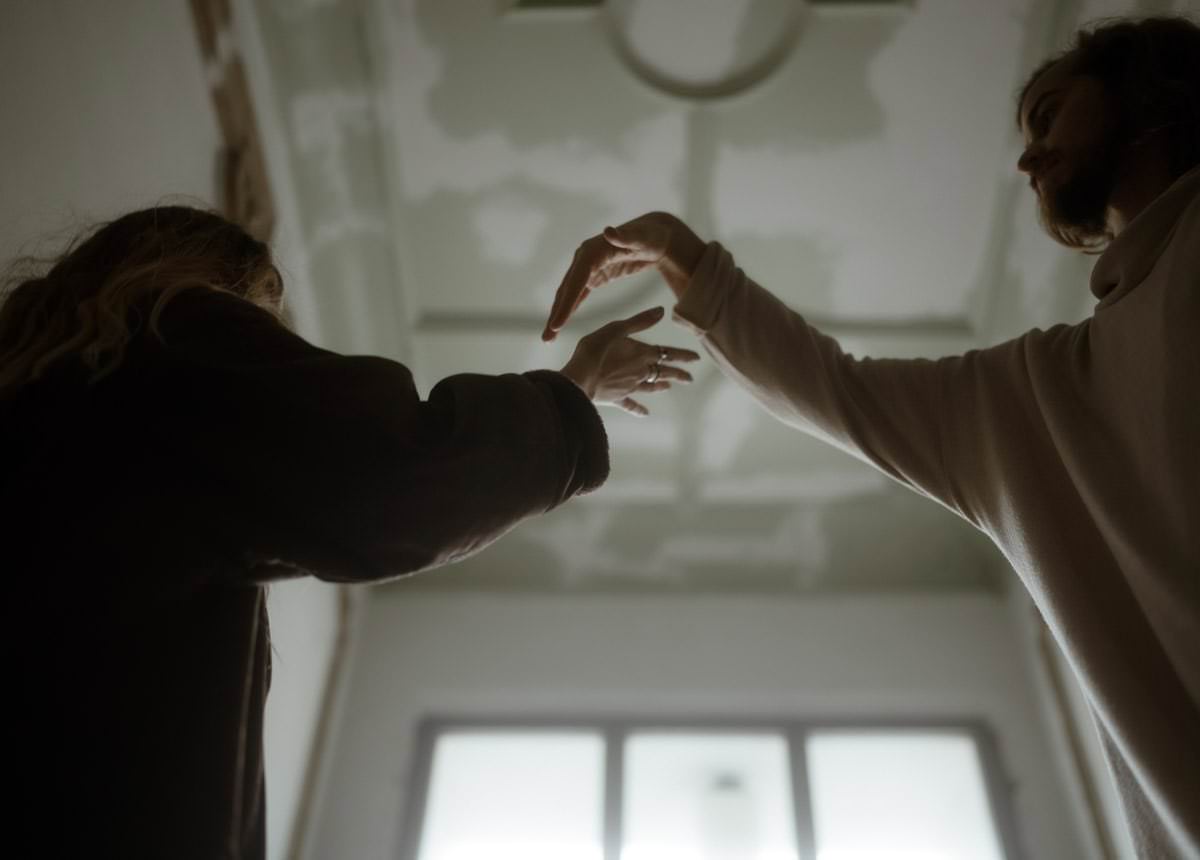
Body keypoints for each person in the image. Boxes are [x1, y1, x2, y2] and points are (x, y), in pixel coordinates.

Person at [542, 16, 1200, 859]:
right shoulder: (1034, 400)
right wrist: (678, 248)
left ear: (1152, 92)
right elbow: (833, 387)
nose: (1028, 158)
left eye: (1050, 115)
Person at [0, 204, 697, 857]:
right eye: (257, 319)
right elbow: (393, 479)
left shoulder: (45, 405)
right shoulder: (161, 338)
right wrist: (571, 396)